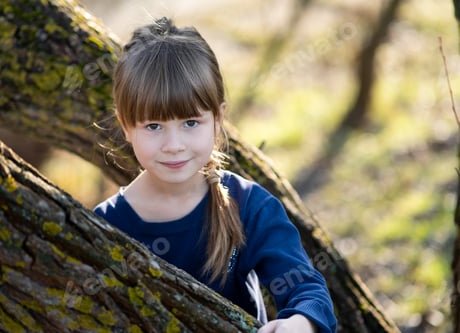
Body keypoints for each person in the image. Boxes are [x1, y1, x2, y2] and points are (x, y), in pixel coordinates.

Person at [94, 17, 337, 333]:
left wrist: (300, 323)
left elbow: (304, 287)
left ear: (218, 118)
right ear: (126, 126)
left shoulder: (246, 204)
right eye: (153, 126)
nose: (173, 146)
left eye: (191, 123)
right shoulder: (105, 225)